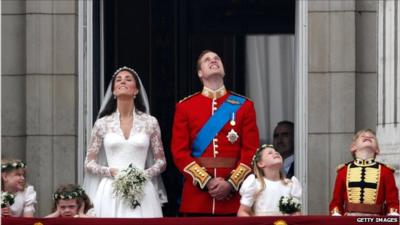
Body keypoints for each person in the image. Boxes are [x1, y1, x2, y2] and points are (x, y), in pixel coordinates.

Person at [171, 50, 260, 216]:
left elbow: (251, 150)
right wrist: (206, 181)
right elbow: (179, 152)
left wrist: (231, 183)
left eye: (217, 58)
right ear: (200, 73)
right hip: (197, 198)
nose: (213, 61)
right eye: (207, 60)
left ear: (224, 70)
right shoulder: (185, 107)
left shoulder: (244, 105)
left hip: (234, 199)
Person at [83, 66, 167, 217]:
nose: (123, 82)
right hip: (110, 189)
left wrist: (144, 175)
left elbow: (161, 161)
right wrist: (109, 171)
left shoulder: (150, 122)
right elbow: (89, 163)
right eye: (119, 80)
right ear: (114, 91)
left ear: (136, 91)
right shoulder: (102, 124)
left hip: (142, 190)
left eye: (128, 79)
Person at [329, 129, 399, 216]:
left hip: (376, 220)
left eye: (372, 137)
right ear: (353, 147)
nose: (368, 137)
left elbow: (392, 201)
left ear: (377, 150)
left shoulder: (386, 171)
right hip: (349, 220)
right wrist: (336, 214)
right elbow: (336, 201)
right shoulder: (343, 171)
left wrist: (393, 214)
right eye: (363, 136)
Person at [238, 144, 302, 216]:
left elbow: (296, 213)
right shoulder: (254, 184)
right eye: (270, 153)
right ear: (261, 163)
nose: (276, 153)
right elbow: (242, 212)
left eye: (276, 152)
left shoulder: (290, 185)